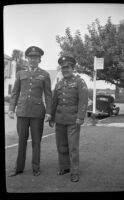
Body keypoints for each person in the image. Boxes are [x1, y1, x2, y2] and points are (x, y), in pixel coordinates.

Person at [8, 46, 52, 177]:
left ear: (40, 60)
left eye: (36, 58)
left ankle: (36, 168)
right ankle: (18, 168)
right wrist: (11, 108)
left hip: (37, 113)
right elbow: (15, 93)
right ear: (27, 59)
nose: (33, 60)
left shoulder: (45, 75)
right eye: (30, 58)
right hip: (22, 112)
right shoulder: (20, 73)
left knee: (36, 141)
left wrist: (49, 112)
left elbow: (48, 95)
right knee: (21, 141)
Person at [49, 55, 88, 182]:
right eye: (63, 68)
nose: (65, 70)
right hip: (60, 119)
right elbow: (54, 101)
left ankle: (74, 171)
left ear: (73, 68)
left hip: (73, 120)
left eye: (67, 67)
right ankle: (64, 167)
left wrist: (80, 117)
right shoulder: (59, 83)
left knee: (73, 147)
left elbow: (83, 101)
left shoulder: (79, 82)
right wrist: (52, 117)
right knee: (61, 145)